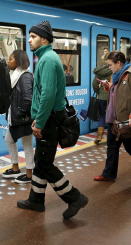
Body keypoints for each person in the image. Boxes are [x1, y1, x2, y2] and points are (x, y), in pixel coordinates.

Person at [17, 20, 89, 220]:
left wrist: (39, 123)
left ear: (44, 39)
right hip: (48, 117)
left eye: (33, 37)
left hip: (49, 120)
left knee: (45, 163)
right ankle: (36, 200)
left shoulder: (47, 60)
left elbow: (47, 95)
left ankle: (74, 197)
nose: (29, 40)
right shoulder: (47, 57)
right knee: (41, 161)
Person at [94, 51, 131, 184]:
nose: (109, 68)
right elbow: (120, 92)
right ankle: (109, 174)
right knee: (112, 147)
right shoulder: (117, 75)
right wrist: (109, 87)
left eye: (110, 65)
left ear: (118, 63)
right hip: (115, 118)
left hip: (128, 120)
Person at [2, 50, 35, 184]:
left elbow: (28, 99)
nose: (8, 61)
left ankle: (29, 174)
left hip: (23, 119)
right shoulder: (15, 75)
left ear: (19, 61)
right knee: (9, 139)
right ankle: (15, 168)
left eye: (11, 59)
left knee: (27, 145)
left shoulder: (25, 76)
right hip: (16, 118)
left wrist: (19, 114)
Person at [92, 51, 112, 144]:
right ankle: (112, 135)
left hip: (101, 97)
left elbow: (94, 84)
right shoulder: (113, 69)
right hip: (111, 97)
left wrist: (99, 92)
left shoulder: (99, 71)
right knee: (112, 116)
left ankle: (99, 136)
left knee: (102, 116)